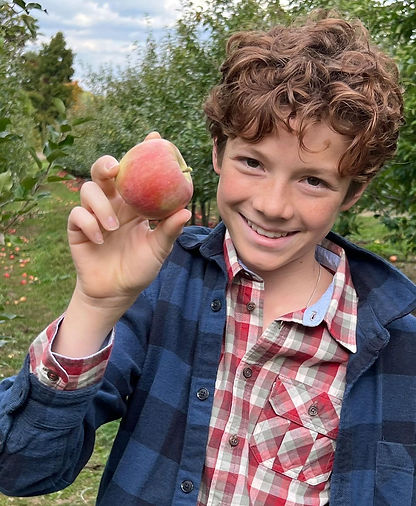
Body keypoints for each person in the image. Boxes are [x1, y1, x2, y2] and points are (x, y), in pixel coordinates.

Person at [0, 10, 415, 506]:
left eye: (313, 180)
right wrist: (94, 306)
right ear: (218, 152)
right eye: (252, 162)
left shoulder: (399, 345)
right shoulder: (165, 285)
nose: (273, 205)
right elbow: (21, 468)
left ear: (353, 191)